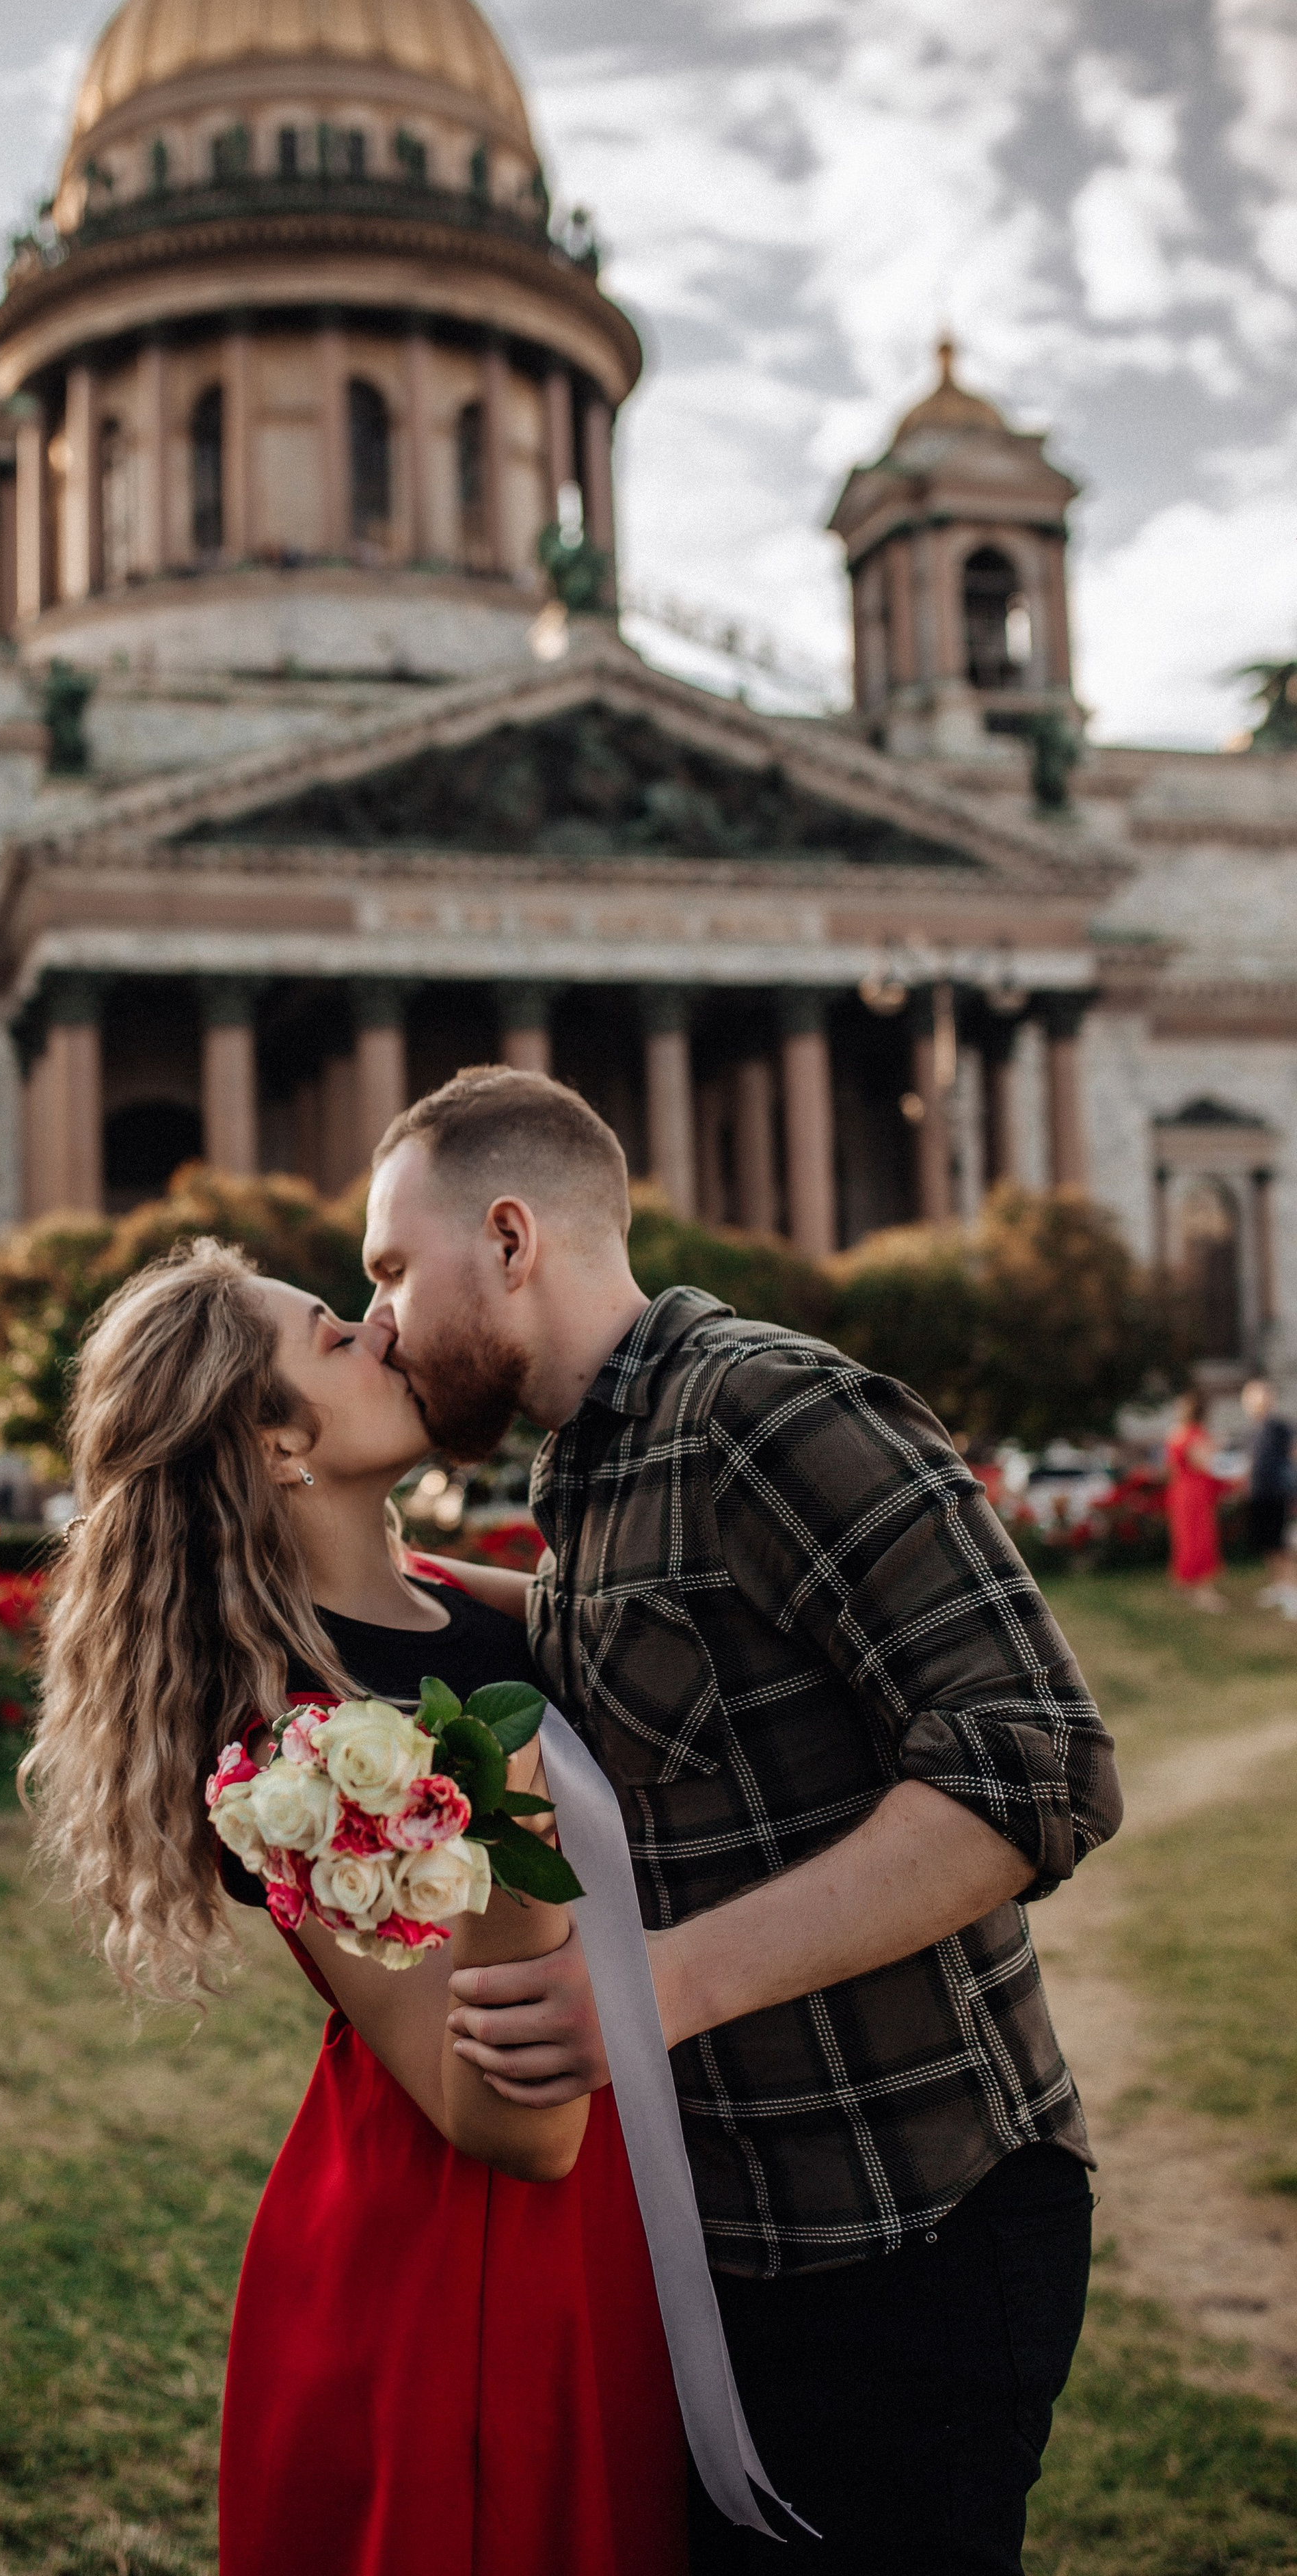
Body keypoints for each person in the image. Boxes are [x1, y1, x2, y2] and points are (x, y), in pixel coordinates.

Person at [359, 1066, 1125, 2576]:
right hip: (739, 2262)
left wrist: (648, 1997)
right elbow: (621, 1655)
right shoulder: (591, 1463)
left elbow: (1037, 1767)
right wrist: (332, 1578)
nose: (376, 1318)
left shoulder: (761, 1409)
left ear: (508, 1238)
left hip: (912, 2239)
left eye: (391, 1268)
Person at [24, 1240, 688, 2576]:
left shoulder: (445, 1601)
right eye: (336, 1334)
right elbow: (509, 2127)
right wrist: (495, 1806)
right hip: (479, 2261)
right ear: (276, 1447)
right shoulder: (300, 1746)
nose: (384, 1329)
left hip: (637, 2183)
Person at [1166, 1389, 1226, 1611]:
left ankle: (1184, 1584)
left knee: (1185, 1537)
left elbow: (1171, 1468)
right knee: (1201, 1538)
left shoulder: (1175, 1433)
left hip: (1180, 1491)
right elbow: (1203, 1464)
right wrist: (1216, 1448)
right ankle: (1203, 1590)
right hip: (1196, 1493)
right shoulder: (1196, 1435)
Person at [1240, 1377, 1296, 1614]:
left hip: (1277, 1494)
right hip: (1258, 1494)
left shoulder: (1280, 1427)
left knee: (1281, 1545)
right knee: (1267, 1544)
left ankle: (1292, 1591)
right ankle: (1279, 1586)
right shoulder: (1253, 1431)